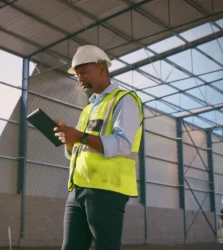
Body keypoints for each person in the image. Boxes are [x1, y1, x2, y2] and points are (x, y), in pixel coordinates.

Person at [53, 45, 144, 250]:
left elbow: (122, 145)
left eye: (84, 72)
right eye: (77, 75)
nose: (80, 79)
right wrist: (69, 139)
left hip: (106, 189)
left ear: (102, 68)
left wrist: (79, 136)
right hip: (77, 189)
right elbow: (77, 150)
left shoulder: (124, 100)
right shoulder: (88, 109)